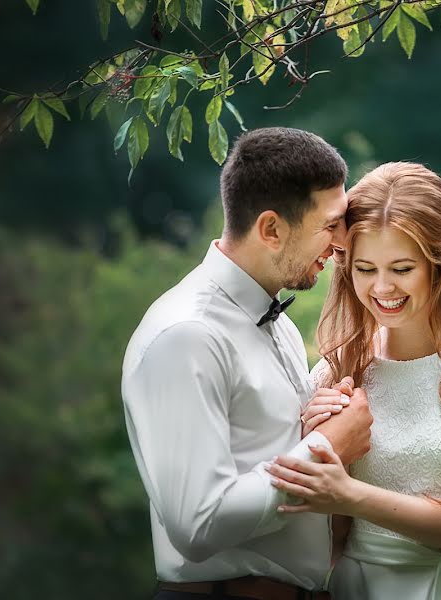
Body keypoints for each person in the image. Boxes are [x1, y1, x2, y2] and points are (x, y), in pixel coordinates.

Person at [121, 127, 373, 599]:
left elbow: (263, 456)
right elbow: (198, 526)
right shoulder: (187, 335)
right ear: (272, 229)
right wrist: (322, 445)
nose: (342, 244)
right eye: (330, 225)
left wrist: (316, 424)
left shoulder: (276, 324)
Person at [265, 162, 441, 599]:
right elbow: (322, 532)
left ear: (439, 263)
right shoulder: (338, 370)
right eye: (365, 269)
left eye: (402, 268)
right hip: (359, 586)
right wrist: (314, 438)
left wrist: (350, 495)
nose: (382, 288)